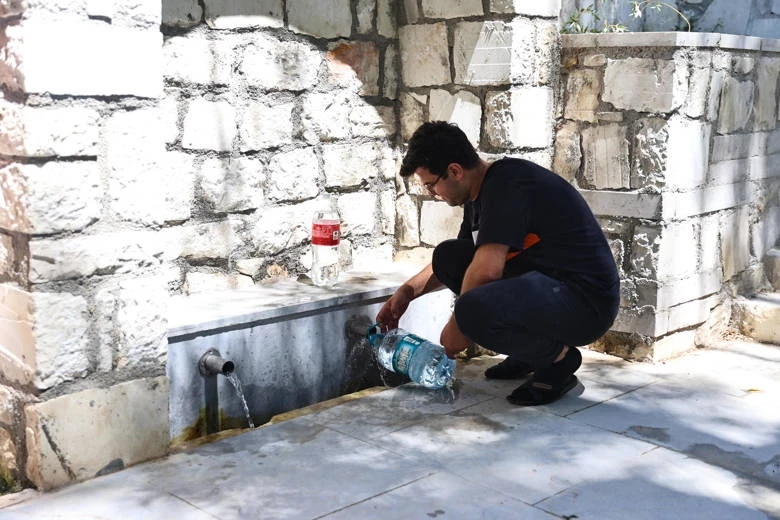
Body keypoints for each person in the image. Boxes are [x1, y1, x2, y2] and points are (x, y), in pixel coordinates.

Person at [376, 121, 620, 406]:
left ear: (454, 171)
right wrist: (407, 292)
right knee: (448, 256)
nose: (432, 193)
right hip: (549, 288)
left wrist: (457, 327)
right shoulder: (478, 195)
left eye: (431, 185)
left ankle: (559, 360)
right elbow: (466, 261)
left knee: (472, 310)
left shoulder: (507, 185)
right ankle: (531, 352)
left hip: (586, 303)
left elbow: (486, 270)